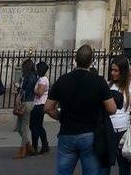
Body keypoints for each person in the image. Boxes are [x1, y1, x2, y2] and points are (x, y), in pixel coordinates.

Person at [45, 45, 117, 175]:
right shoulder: (98, 81)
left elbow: (48, 108)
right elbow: (112, 109)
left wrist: (61, 117)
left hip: (66, 134)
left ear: (75, 59)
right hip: (89, 134)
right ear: (92, 61)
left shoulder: (63, 80)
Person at [109, 56, 131, 175]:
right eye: (112, 70)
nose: (112, 73)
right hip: (108, 130)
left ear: (123, 71)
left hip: (124, 131)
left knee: (124, 166)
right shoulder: (109, 86)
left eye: (116, 70)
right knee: (104, 165)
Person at [14, 58, 38, 158]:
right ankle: (29, 147)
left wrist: (19, 90)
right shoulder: (27, 76)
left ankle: (22, 150)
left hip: (27, 103)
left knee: (24, 127)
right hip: (24, 101)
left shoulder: (31, 77)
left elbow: (27, 90)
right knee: (19, 128)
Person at [29, 61, 50, 155]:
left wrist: (33, 89)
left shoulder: (42, 80)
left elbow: (40, 93)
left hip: (39, 105)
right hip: (40, 104)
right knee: (39, 126)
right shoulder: (42, 79)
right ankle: (45, 145)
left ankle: (34, 147)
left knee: (34, 127)